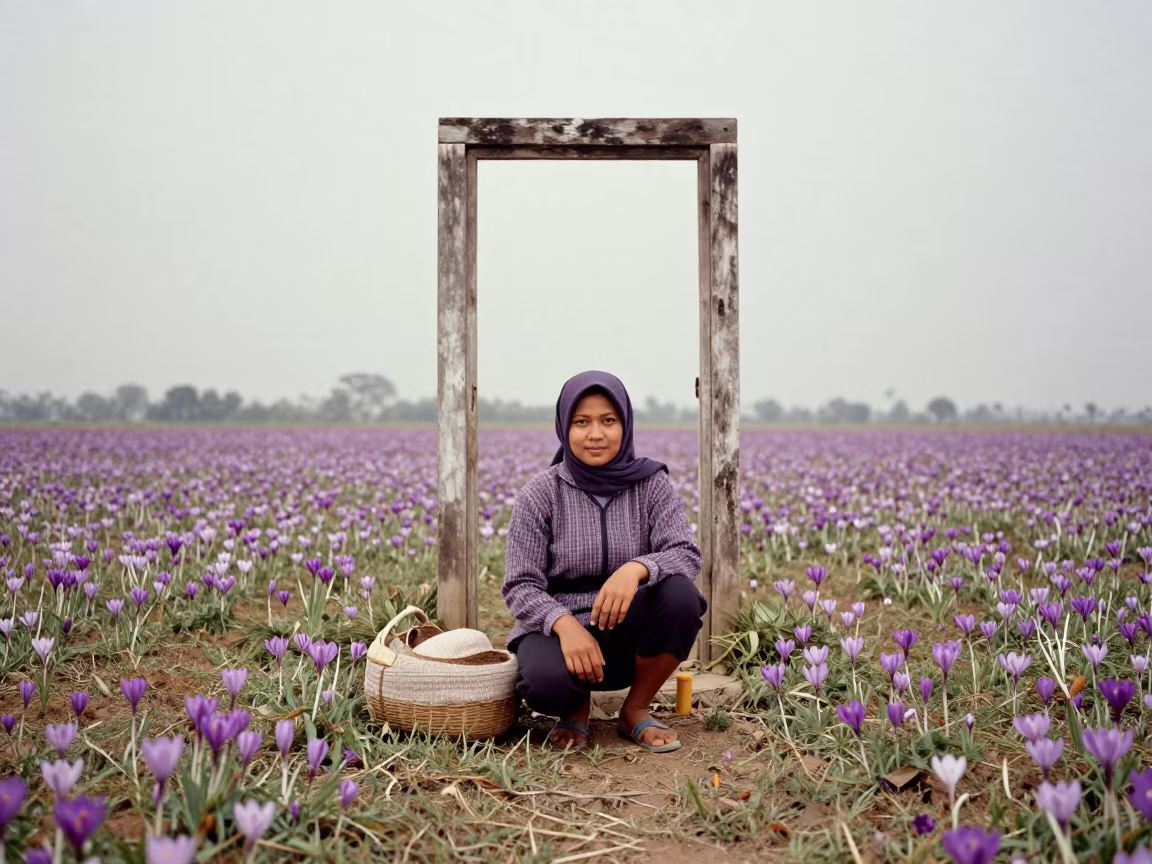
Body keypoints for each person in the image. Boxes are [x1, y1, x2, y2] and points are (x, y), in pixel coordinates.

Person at [501, 370, 706, 753]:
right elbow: (519, 586)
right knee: (544, 683)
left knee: (681, 595)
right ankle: (574, 710)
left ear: (625, 425)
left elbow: (685, 553)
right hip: (559, 635)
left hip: (630, 635)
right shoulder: (541, 493)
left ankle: (636, 709)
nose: (595, 434)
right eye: (581, 422)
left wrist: (637, 568)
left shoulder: (651, 483)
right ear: (564, 427)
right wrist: (563, 624)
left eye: (608, 421)